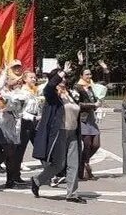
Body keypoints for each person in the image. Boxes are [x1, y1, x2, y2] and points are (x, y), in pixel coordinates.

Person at [30, 62, 85, 203]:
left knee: (74, 164)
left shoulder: (69, 94)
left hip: (73, 132)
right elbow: (49, 86)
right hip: (59, 133)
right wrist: (62, 73)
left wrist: (79, 64)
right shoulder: (52, 96)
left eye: (65, 79)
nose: (64, 81)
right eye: (61, 79)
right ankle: (37, 180)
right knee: (58, 165)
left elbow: (76, 105)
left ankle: (72, 194)